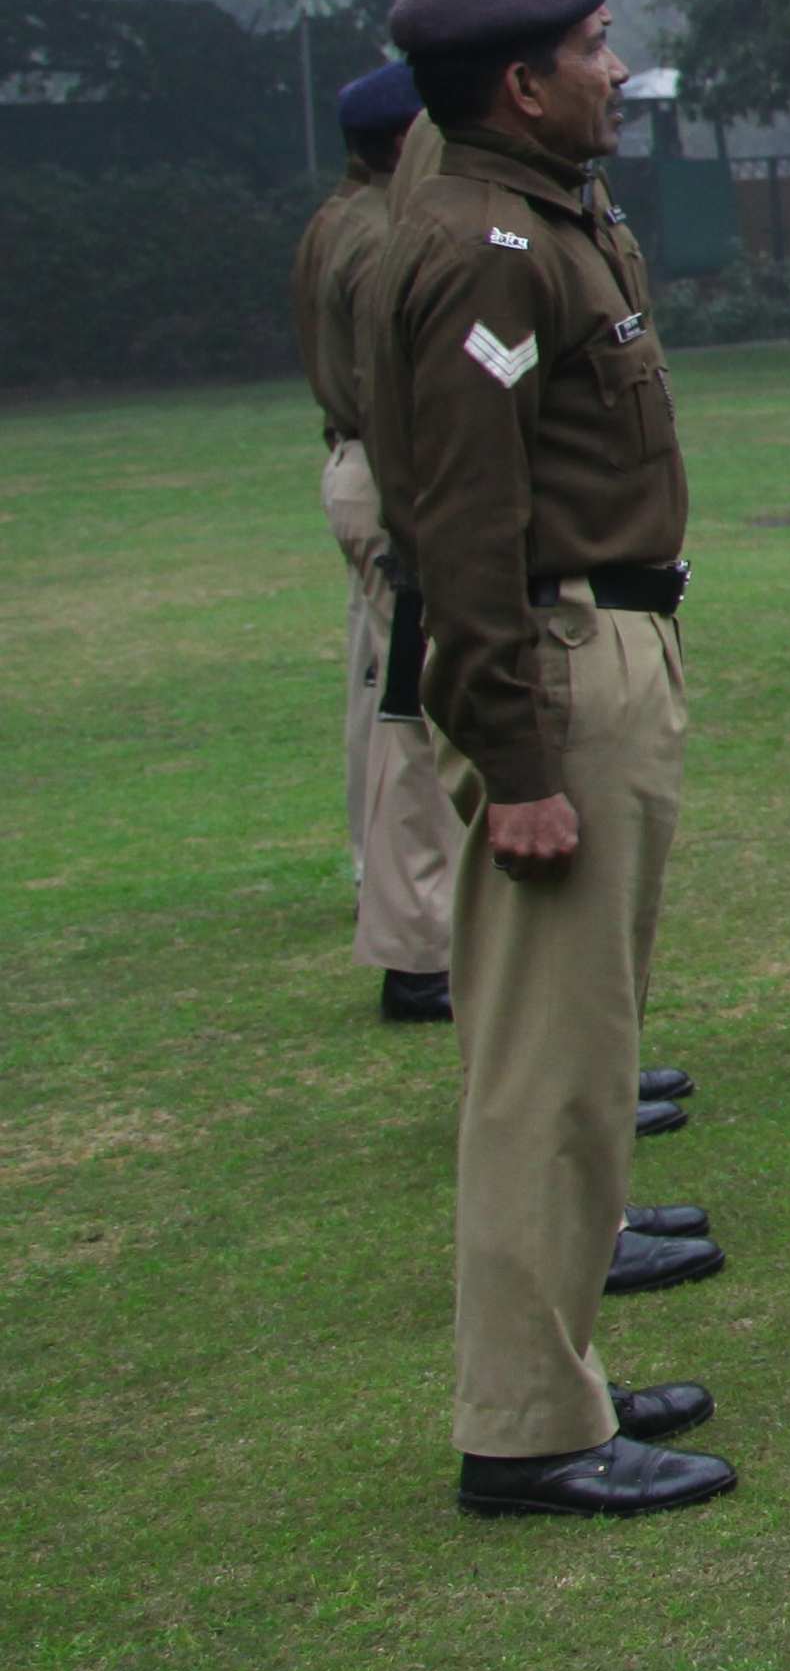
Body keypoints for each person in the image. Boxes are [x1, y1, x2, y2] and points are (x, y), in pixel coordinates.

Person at [361, 0, 731, 1518]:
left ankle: (558, 1368)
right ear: (520, 83)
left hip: (606, 640)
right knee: (547, 1067)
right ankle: (525, 1425)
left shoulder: (541, 217)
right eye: (594, 44)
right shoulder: (489, 248)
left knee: (586, 1051)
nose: (617, 67)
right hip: (560, 663)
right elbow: (464, 520)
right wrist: (512, 763)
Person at [296, 61, 456, 1020]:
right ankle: (420, 950)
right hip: (394, 480)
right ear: (407, 142)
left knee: (385, 700)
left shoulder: (337, 218)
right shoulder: (381, 235)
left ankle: (396, 907)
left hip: (359, 469)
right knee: (422, 717)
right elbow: (387, 388)